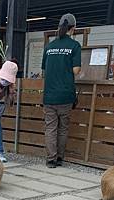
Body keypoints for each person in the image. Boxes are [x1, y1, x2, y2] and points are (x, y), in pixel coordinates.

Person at [42, 13, 81, 168]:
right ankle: (59, 158)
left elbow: (45, 70)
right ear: (74, 28)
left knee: (50, 128)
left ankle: (50, 159)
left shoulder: (49, 47)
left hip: (49, 95)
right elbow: (76, 70)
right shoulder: (74, 46)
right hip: (65, 95)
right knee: (63, 128)